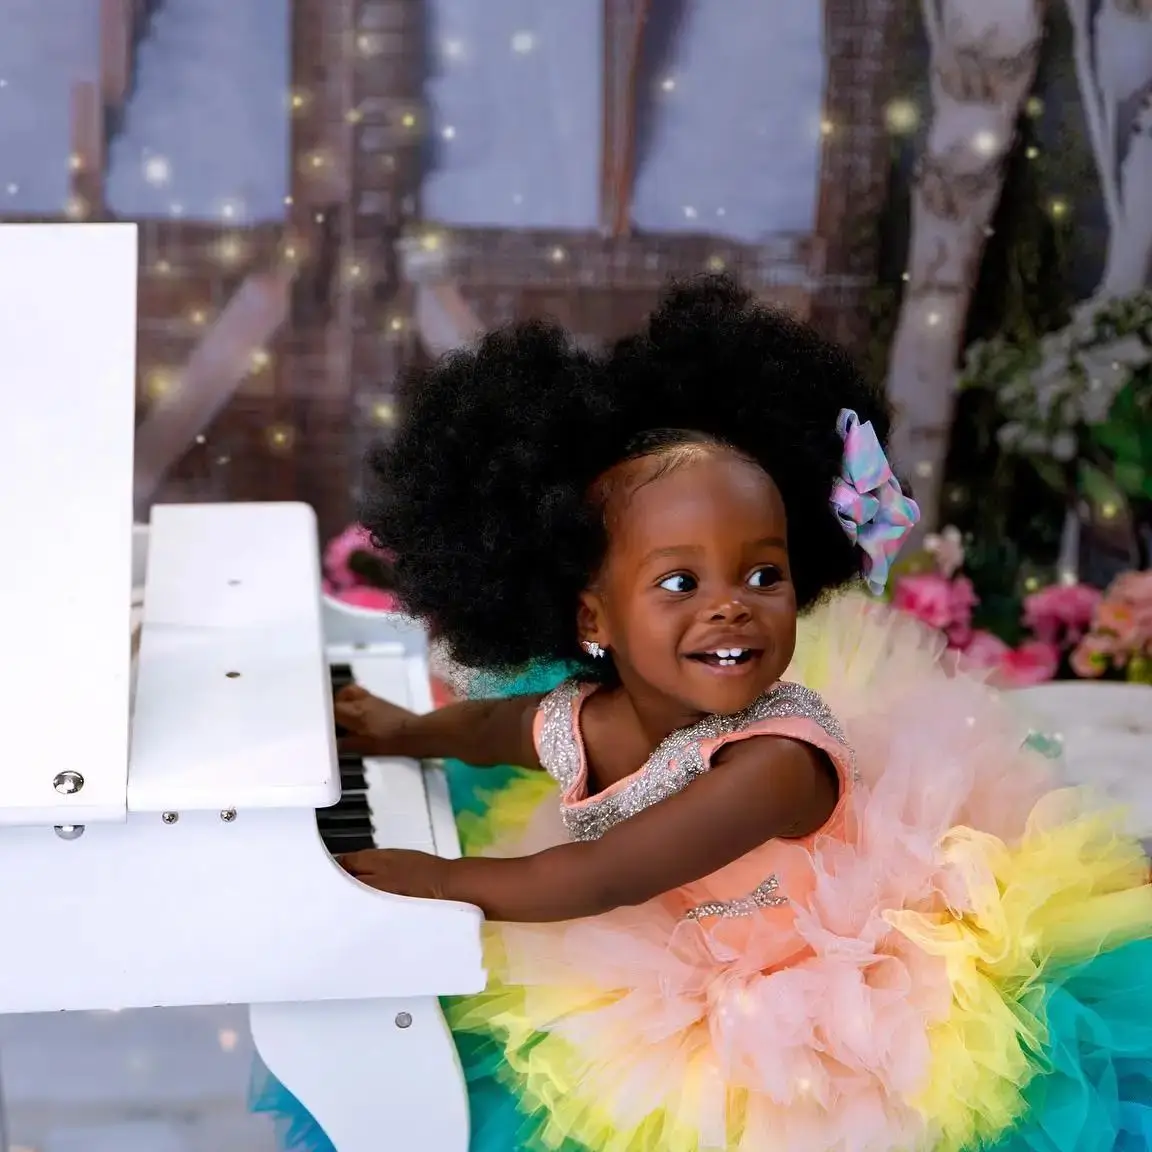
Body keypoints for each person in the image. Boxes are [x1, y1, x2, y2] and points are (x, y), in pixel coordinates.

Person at [260, 277, 1152, 1151]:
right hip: (681, 932)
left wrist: (433, 879)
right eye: (680, 583)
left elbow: (600, 875)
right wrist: (404, 730)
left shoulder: (774, 767)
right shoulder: (592, 715)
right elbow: (496, 730)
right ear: (592, 618)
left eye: (763, 574)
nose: (732, 606)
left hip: (829, 984)